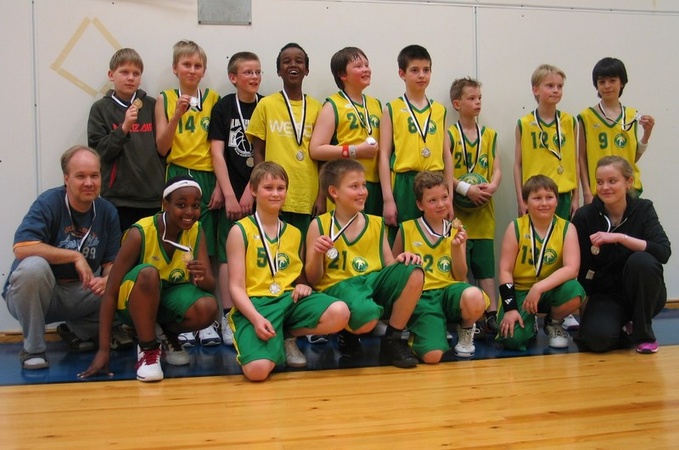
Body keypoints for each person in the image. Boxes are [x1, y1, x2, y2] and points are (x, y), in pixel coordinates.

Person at [79, 176, 219, 382]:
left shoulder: (196, 230)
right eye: (181, 205)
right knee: (148, 273)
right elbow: (110, 291)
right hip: (131, 303)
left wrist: (203, 276)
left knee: (208, 307)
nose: (189, 212)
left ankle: (166, 332)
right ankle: (148, 348)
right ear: (165, 204)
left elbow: (209, 286)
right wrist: (103, 349)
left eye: (195, 205)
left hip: (166, 299)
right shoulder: (140, 233)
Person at [226, 162, 350, 381]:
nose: (275, 193)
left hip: (287, 300)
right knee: (257, 372)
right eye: (268, 188)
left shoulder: (294, 233)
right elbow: (235, 287)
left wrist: (302, 285)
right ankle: (270, 343)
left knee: (340, 312)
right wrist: (256, 319)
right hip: (256, 305)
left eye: (280, 188)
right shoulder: (240, 230)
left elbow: (297, 276)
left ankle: (286, 335)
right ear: (253, 190)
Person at [2, 146, 121, 370]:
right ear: (66, 179)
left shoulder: (107, 212)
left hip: (78, 292)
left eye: (94, 176)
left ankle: (76, 331)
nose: (89, 183)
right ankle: (33, 349)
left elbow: (111, 263)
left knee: (123, 282)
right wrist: (74, 256)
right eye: (81, 176)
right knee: (33, 268)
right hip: (41, 293)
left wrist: (108, 279)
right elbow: (21, 248)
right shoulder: (49, 202)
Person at [306, 159, 424, 368]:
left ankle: (394, 339)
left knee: (413, 271)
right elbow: (313, 279)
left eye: (363, 185)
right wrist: (317, 255)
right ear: (333, 192)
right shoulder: (319, 225)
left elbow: (388, 264)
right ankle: (348, 332)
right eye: (354, 186)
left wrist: (401, 261)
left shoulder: (376, 223)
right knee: (367, 317)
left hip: (371, 283)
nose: (362, 192)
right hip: (339, 287)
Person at [155, 40, 222, 346]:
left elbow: (219, 147)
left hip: (207, 177)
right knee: (178, 242)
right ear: (175, 68)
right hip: (178, 174)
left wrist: (220, 185)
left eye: (197, 66)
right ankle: (185, 312)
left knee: (205, 247)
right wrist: (176, 116)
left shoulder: (214, 99)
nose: (192, 70)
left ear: (204, 70)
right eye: (186, 65)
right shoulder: (165, 99)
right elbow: (162, 147)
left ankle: (206, 318)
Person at [571, 156, 670, 354]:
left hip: (643, 292)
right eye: (600, 182)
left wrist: (621, 238)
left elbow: (663, 252)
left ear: (629, 182)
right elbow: (583, 272)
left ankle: (644, 334)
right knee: (596, 340)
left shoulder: (644, 209)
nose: (605, 187)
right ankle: (624, 328)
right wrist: (586, 315)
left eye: (612, 181)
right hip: (606, 296)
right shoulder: (584, 216)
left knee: (642, 260)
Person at [392, 171, 488, 362]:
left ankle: (465, 330)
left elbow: (461, 275)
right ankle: (422, 331)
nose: (441, 204)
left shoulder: (456, 230)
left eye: (444, 197)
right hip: (422, 297)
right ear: (420, 205)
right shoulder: (407, 229)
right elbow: (392, 270)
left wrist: (456, 248)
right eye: (432, 200)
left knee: (474, 296)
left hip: (449, 292)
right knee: (433, 357)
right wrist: (401, 260)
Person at [208, 51, 264, 347]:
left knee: (256, 254)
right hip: (230, 193)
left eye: (258, 72)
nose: (254, 77)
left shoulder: (266, 105)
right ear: (233, 77)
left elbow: (264, 154)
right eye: (248, 72)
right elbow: (217, 153)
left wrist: (250, 192)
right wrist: (228, 193)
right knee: (226, 256)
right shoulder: (223, 107)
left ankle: (254, 314)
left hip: (257, 192)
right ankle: (229, 317)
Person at [496, 175, 585, 351]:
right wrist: (510, 308)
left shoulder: (567, 228)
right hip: (520, 291)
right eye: (537, 198)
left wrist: (539, 288)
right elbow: (505, 271)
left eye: (549, 197)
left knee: (575, 291)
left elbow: (572, 269)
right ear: (525, 202)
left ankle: (553, 322)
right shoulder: (515, 227)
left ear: (557, 201)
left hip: (550, 289)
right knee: (512, 339)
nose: (544, 203)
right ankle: (529, 323)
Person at [246, 43, 323, 237]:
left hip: (307, 195)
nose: (293, 65)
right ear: (279, 71)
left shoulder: (318, 108)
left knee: (304, 249)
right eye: (286, 61)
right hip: (274, 193)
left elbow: (323, 158)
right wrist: (260, 187)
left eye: (299, 61)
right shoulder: (266, 105)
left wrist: (322, 196)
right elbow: (258, 151)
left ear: (307, 70)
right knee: (275, 247)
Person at [379, 44, 453, 243]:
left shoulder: (439, 110)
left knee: (436, 240)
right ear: (402, 74)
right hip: (405, 183)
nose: (422, 75)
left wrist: (450, 198)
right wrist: (388, 199)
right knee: (404, 240)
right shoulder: (392, 109)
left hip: (436, 181)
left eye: (426, 70)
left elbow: (446, 155)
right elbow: (384, 155)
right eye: (415, 70)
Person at [87, 48, 164, 233]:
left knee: (149, 249)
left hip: (152, 197)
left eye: (136, 73)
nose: (130, 78)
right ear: (111, 75)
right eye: (124, 72)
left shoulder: (152, 105)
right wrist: (124, 128)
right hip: (117, 199)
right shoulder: (100, 109)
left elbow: (164, 146)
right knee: (120, 249)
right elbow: (98, 153)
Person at [447, 77, 501, 334]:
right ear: (457, 103)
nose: (477, 102)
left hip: (483, 212)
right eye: (471, 98)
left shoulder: (489, 135)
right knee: (462, 268)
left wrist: (492, 186)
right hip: (458, 213)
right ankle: (468, 316)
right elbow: (444, 172)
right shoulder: (448, 135)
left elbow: (497, 168)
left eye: (479, 97)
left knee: (485, 267)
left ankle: (491, 314)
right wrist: (465, 189)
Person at [309, 46, 383, 215]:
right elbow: (316, 149)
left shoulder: (376, 104)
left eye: (367, 65)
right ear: (343, 75)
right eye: (358, 66)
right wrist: (355, 151)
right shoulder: (332, 105)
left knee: (372, 230)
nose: (366, 69)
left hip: (374, 185)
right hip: (345, 185)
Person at [578, 57, 656, 205]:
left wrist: (647, 133)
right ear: (596, 85)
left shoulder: (632, 115)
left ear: (622, 83)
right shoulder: (586, 117)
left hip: (628, 188)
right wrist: (586, 191)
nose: (607, 86)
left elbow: (633, 157)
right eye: (602, 82)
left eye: (612, 80)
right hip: (601, 190)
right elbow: (581, 157)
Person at [514, 64, 579, 220]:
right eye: (550, 86)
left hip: (563, 193)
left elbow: (574, 161)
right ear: (536, 90)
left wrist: (576, 197)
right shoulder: (524, 124)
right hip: (535, 194)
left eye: (560, 86)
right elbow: (517, 165)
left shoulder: (569, 121)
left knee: (561, 234)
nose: (556, 90)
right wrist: (520, 199)